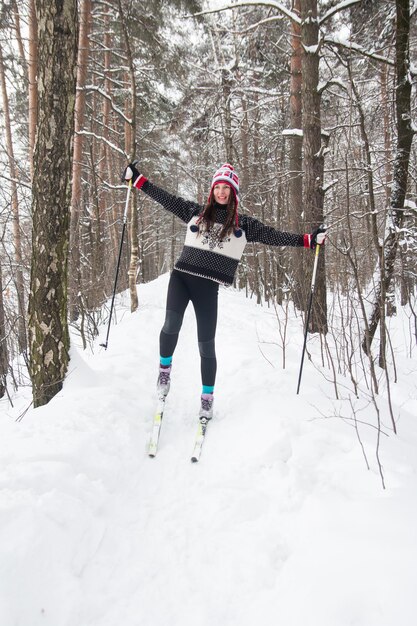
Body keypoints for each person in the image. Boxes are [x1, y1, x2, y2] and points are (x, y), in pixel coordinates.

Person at [123, 162, 326, 420]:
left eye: (226, 188)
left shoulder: (244, 226)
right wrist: (138, 180)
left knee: (206, 345)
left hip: (207, 288)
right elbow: (166, 198)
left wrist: (308, 240)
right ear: (212, 190)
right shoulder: (196, 213)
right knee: (171, 325)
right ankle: (164, 370)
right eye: (217, 187)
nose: (221, 192)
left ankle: (207, 398)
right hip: (182, 280)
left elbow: (273, 236)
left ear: (233, 192)